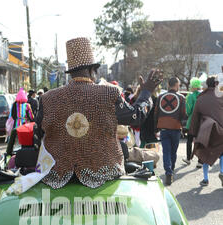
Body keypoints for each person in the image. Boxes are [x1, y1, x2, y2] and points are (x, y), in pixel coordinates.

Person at [35, 37, 162, 189]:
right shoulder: (108, 93)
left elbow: (36, 134)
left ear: (71, 73)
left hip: (56, 177)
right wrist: (146, 92)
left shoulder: (48, 98)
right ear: (92, 71)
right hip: (106, 175)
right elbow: (136, 117)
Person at [189, 75, 223, 187]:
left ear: (207, 85)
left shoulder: (201, 98)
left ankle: (205, 179)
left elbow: (195, 118)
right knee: (222, 153)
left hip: (205, 132)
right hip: (221, 131)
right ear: (216, 84)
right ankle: (222, 172)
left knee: (204, 155)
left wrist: (193, 134)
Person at [154, 77, 187, 186]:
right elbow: (183, 114)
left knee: (166, 151)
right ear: (177, 85)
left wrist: (155, 128)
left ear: (168, 84)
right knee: (173, 151)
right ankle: (171, 169)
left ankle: (168, 171)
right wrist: (184, 127)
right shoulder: (181, 98)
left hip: (163, 128)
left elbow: (156, 113)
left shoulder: (160, 97)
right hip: (176, 128)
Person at [182, 78, 202, 166]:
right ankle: (200, 161)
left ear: (193, 86)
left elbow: (188, 111)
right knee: (200, 141)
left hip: (191, 122)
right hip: (201, 121)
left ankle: (188, 158)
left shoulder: (190, 96)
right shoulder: (202, 95)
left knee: (189, 140)